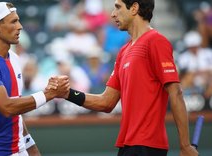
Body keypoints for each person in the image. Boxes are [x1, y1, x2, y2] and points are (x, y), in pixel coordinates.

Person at [54, 0, 199, 156]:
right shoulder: (124, 51)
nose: (112, 14)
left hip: (147, 146)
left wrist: (185, 146)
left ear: (134, 8)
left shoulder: (156, 41)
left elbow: (175, 92)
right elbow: (106, 102)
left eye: (118, 7)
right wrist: (67, 93)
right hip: (127, 145)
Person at [0, 2, 69, 156]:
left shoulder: (14, 58)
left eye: (18, 20)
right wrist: (49, 94)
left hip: (19, 150)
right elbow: (7, 107)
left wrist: (30, 147)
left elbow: (17, 109)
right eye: (13, 21)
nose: (20, 26)